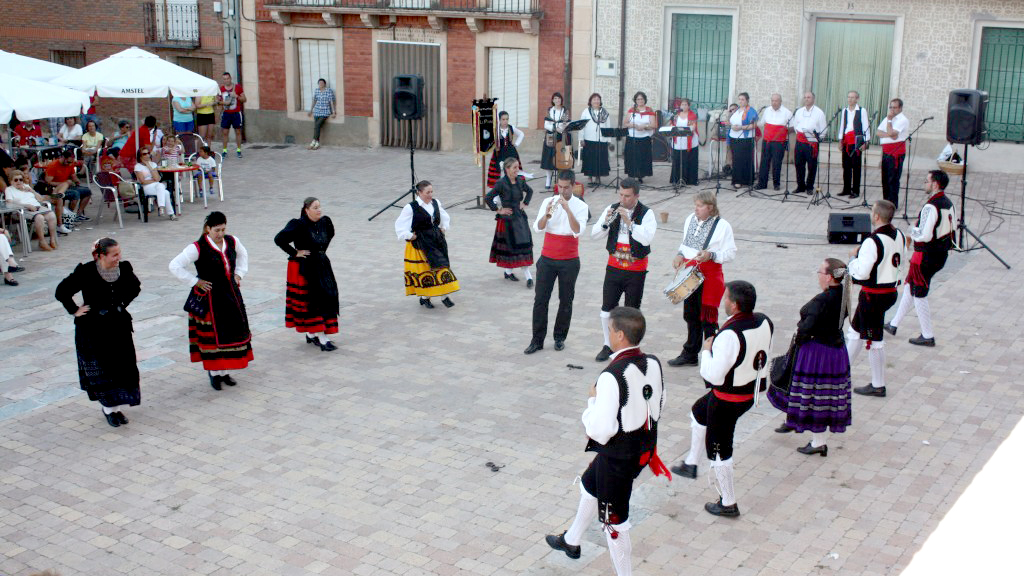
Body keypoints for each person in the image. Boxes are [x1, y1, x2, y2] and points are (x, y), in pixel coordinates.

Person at [544, 306, 668, 575]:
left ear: (620, 335)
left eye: (610, 329)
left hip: (619, 457)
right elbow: (660, 402)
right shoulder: (654, 362)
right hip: (642, 448)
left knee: (614, 523)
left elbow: (601, 430)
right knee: (590, 485)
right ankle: (572, 541)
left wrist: (592, 399)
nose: (608, 333)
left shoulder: (611, 375)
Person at [669, 281, 773, 518]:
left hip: (728, 398)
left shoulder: (729, 335)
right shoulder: (765, 321)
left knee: (720, 450)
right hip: (750, 390)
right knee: (698, 411)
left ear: (734, 305)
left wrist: (707, 349)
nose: (722, 301)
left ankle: (728, 502)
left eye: (725, 298)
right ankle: (691, 463)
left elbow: (713, 375)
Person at [54, 238, 141, 427]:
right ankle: (110, 409)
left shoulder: (123, 268)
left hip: (118, 327)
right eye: (114, 254)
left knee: (122, 367)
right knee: (104, 369)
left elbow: (135, 287)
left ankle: (116, 408)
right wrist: (74, 309)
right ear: (101, 255)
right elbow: (62, 291)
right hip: (94, 330)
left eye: (119, 253)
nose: (119, 257)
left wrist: (121, 304)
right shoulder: (86, 271)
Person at [769, 258, 852, 455]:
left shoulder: (822, 300)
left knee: (815, 396)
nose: (818, 275)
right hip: (836, 351)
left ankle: (818, 443)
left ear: (829, 277)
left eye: (820, 272)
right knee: (820, 394)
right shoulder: (844, 294)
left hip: (818, 353)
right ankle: (793, 419)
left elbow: (807, 327)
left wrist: (800, 338)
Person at [169, 211, 252, 390]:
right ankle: (215, 373)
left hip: (231, 294)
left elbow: (243, 255)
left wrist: (239, 274)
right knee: (214, 336)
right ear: (208, 229)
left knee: (230, 331)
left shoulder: (232, 241)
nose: (220, 234)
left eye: (223, 229)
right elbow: (174, 265)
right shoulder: (197, 247)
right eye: (217, 230)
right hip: (211, 298)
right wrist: (195, 281)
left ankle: (225, 371)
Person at [885, 170, 956, 347]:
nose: (924, 184)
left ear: (935, 184)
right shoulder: (949, 203)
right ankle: (893, 324)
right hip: (940, 253)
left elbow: (924, 235)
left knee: (919, 292)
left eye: (927, 181)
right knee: (910, 285)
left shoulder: (931, 206)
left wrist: (911, 231)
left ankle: (928, 335)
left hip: (926, 255)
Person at [667, 191, 737, 367]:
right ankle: (690, 353)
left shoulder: (722, 226)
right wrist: (679, 254)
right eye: (695, 205)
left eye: (699, 206)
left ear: (710, 207)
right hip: (690, 273)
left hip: (710, 275)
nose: (695, 209)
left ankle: (713, 355)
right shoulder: (690, 219)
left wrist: (711, 254)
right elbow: (686, 243)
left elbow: (731, 253)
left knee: (708, 318)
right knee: (690, 314)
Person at [591, 178, 657, 362]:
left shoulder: (647, 213)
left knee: (632, 310)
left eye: (627, 196)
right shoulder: (611, 208)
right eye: (620, 194)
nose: (623, 199)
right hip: (614, 266)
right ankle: (607, 345)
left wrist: (629, 222)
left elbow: (646, 239)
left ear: (636, 195)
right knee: (606, 309)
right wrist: (605, 222)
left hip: (636, 269)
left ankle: (629, 349)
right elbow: (594, 235)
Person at [525, 170, 589, 354]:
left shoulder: (580, 206)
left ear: (574, 186)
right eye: (559, 187)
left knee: (566, 300)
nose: (562, 191)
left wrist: (568, 209)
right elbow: (538, 227)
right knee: (540, 300)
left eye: (566, 188)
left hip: (569, 260)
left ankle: (560, 337)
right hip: (547, 259)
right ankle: (537, 340)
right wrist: (546, 215)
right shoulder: (548, 202)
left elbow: (578, 231)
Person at [847, 200, 906, 398]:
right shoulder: (900, 235)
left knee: (874, 340)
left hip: (874, 296)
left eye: (872, 212)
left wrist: (853, 260)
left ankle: (878, 384)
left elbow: (862, 273)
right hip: (890, 290)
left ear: (877, 217)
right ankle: (841, 371)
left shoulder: (872, 241)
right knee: (855, 330)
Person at [275, 197, 340, 350]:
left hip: (322, 265)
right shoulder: (297, 225)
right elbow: (279, 239)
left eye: (320, 206)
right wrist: (294, 252)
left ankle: (312, 334)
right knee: (314, 301)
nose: (319, 210)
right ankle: (322, 338)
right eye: (315, 207)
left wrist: (320, 252)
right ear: (306, 210)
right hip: (306, 268)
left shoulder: (326, 222)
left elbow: (329, 235)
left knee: (328, 296)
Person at [394, 180, 460, 309]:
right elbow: (399, 225)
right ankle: (431, 297)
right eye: (427, 192)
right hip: (422, 242)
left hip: (437, 239)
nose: (430, 195)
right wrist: (409, 235)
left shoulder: (435, 202)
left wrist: (444, 227)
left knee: (441, 265)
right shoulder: (411, 207)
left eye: (431, 191)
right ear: (419, 193)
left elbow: (444, 216)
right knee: (427, 270)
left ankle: (439, 296)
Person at [485, 157, 534, 286]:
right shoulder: (501, 183)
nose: (517, 170)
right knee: (512, 247)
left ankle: (515, 273)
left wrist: (525, 203)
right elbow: (488, 198)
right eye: (515, 168)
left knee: (523, 244)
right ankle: (521, 275)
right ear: (507, 169)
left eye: (518, 167)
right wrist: (499, 210)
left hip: (519, 217)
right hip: (507, 220)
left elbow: (530, 191)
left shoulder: (520, 180)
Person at [4, 169, 59, 251]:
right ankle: (42, 242)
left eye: (20, 179)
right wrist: (26, 205)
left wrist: (32, 191)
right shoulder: (9, 189)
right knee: (39, 217)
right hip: (22, 210)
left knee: (51, 215)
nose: (18, 181)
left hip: (37, 207)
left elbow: (41, 199)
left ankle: (52, 240)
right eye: (16, 180)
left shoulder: (27, 186)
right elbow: (9, 203)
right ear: (11, 181)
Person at [44, 149, 92, 226]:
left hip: (68, 185)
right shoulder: (53, 165)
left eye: (71, 162)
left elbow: (73, 176)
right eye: (68, 162)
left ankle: (78, 214)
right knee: (75, 194)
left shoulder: (70, 164)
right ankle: (69, 215)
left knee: (87, 191)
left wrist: (77, 181)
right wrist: (64, 183)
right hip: (57, 188)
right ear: (63, 158)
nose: (69, 164)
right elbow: (48, 182)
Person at [791, 91, 826, 194]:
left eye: (809, 97)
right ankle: (800, 186)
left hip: (812, 142)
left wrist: (819, 139)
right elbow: (796, 125)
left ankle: (809, 186)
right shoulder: (799, 111)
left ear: (813, 99)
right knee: (799, 164)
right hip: (800, 141)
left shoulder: (819, 112)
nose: (806, 99)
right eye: (805, 97)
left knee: (811, 165)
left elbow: (823, 128)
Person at [756, 93, 792, 191]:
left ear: (780, 101)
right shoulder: (767, 110)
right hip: (767, 141)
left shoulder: (787, 112)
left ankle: (776, 184)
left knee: (777, 163)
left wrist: (783, 131)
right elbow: (762, 123)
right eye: (772, 100)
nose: (774, 103)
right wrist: (754, 122)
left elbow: (792, 127)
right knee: (764, 162)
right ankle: (762, 184)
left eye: (776, 101)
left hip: (779, 142)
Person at [877, 98, 910, 208]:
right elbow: (878, 132)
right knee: (885, 179)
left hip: (896, 153)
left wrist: (890, 122)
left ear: (900, 108)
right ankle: (886, 202)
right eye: (890, 107)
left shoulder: (902, 120)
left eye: (894, 107)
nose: (892, 110)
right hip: (886, 151)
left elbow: (892, 133)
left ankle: (892, 204)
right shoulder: (888, 118)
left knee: (893, 179)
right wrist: (890, 134)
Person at [839, 91, 871, 198]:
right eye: (849, 97)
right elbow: (842, 126)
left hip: (856, 141)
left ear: (857, 99)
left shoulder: (861, 111)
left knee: (856, 167)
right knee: (846, 166)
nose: (850, 99)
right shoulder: (845, 111)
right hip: (846, 141)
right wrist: (840, 140)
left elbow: (866, 127)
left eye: (852, 97)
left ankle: (856, 190)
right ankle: (846, 189)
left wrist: (866, 142)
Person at [133, 148, 177, 220]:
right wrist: (154, 180)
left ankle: (163, 209)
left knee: (165, 192)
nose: (147, 155)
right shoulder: (138, 166)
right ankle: (170, 213)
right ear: (140, 156)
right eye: (144, 154)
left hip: (156, 186)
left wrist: (149, 166)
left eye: (148, 153)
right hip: (146, 187)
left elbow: (157, 178)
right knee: (162, 188)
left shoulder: (153, 164)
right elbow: (143, 181)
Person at [580, 93, 611, 187]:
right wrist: (581, 138)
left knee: (600, 159)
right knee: (589, 159)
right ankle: (589, 177)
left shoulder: (604, 112)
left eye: (598, 99)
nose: (596, 101)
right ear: (590, 101)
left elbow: (608, 126)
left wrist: (608, 139)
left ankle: (598, 177)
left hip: (601, 140)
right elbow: (581, 126)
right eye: (594, 99)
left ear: (600, 101)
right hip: (589, 139)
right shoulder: (586, 111)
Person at [486, 111, 524, 189]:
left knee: (511, 171)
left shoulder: (511, 127)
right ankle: (496, 196)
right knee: (498, 172)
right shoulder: (495, 129)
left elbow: (521, 134)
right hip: (499, 153)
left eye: (507, 119)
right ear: (499, 120)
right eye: (503, 119)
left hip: (511, 153)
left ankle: (511, 190)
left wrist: (516, 144)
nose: (505, 121)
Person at [623, 91, 655, 183]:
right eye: (638, 99)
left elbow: (654, 125)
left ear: (645, 100)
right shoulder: (631, 110)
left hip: (644, 138)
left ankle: (640, 175)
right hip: (632, 138)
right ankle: (631, 175)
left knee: (642, 158)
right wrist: (632, 125)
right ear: (635, 100)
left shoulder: (649, 111)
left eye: (641, 99)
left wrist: (644, 126)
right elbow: (625, 123)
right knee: (631, 157)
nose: (640, 100)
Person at [541, 92, 571, 189]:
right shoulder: (550, 110)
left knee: (561, 158)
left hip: (562, 137)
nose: (557, 100)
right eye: (555, 98)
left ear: (561, 100)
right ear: (553, 100)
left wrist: (560, 128)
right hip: (551, 137)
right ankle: (548, 179)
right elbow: (546, 124)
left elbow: (566, 123)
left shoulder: (565, 111)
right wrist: (554, 128)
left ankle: (560, 180)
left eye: (559, 98)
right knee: (549, 159)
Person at [729, 92, 758, 189]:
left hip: (745, 139)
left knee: (743, 160)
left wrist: (741, 127)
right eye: (739, 99)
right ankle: (737, 179)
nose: (740, 101)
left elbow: (754, 125)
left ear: (747, 100)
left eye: (743, 99)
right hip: (734, 138)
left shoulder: (751, 111)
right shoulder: (736, 110)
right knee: (736, 160)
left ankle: (743, 180)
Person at [669, 98, 699, 186]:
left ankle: (690, 180)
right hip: (678, 140)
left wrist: (690, 129)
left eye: (686, 104)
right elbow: (672, 125)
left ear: (689, 106)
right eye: (682, 104)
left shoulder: (692, 115)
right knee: (677, 159)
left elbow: (693, 126)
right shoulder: (676, 115)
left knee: (688, 160)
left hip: (689, 140)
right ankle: (676, 179)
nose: (684, 106)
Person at [218, 72, 246, 158]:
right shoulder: (221, 89)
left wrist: (236, 96)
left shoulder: (237, 87)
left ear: (230, 79)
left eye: (228, 78)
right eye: (224, 79)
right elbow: (218, 101)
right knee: (225, 133)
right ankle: (224, 150)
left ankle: (238, 150)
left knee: (238, 132)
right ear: (223, 80)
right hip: (226, 113)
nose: (226, 80)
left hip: (236, 113)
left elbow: (244, 99)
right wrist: (224, 102)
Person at [307, 78, 336, 150]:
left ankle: (313, 141)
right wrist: (311, 110)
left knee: (317, 125)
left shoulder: (329, 91)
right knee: (317, 127)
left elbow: (331, 102)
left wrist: (333, 112)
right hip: (317, 111)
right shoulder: (316, 90)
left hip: (325, 112)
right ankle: (317, 143)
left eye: (322, 83)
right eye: (319, 83)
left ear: (325, 84)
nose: (321, 84)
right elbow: (314, 100)